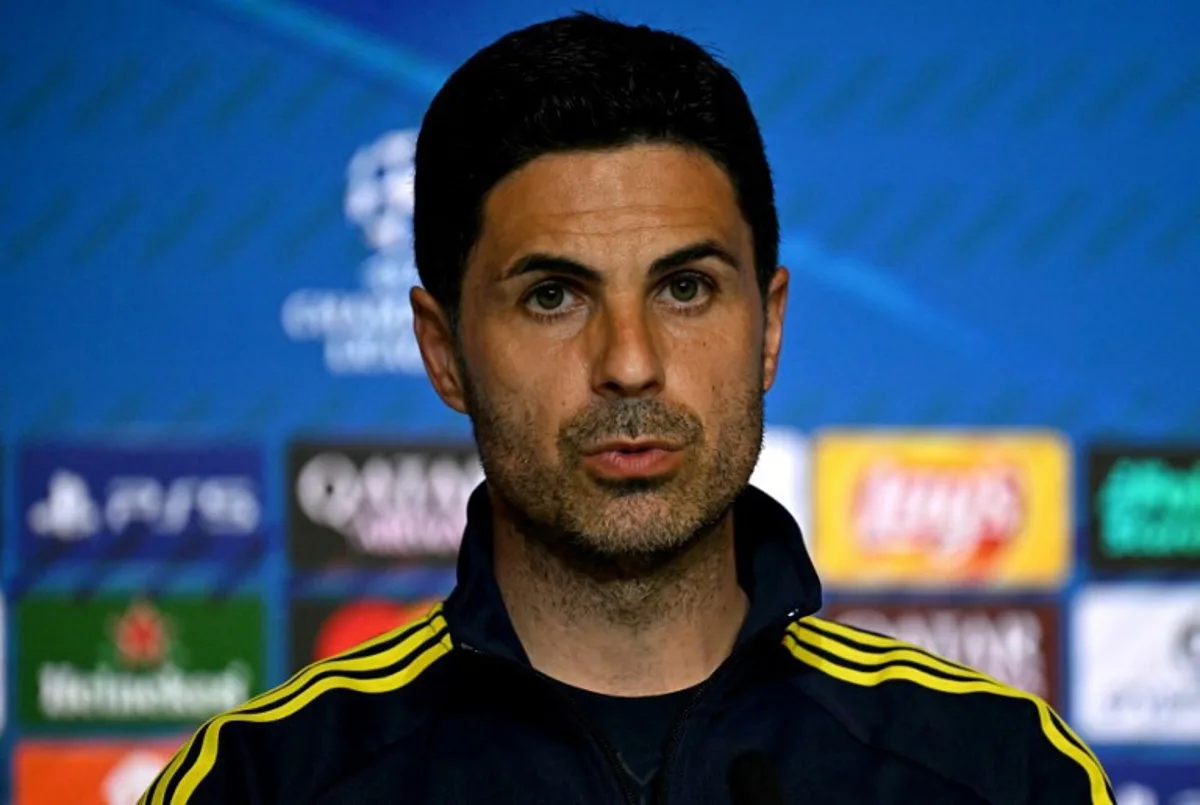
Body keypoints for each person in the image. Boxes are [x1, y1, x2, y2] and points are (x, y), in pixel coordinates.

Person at [142, 13, 1111, 805]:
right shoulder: (262, 782)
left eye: (685, 289)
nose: (631, 362)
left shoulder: (1002, 772)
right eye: (554, 296)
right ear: (443, 351)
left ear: (768, 327)